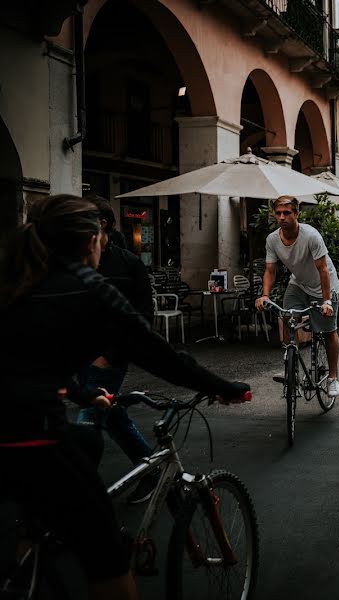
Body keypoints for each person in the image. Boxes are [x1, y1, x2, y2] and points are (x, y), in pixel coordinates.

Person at [0, 194, 251, 600]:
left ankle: (30, 557)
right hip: (32, 434)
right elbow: (157, 353)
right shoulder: (88, 287)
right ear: (91, 241)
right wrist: (224, 388)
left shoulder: (18, 279)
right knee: (108, 555)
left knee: (87, 442)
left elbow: (30, 363)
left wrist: (84, 396)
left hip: (15, 431)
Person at [79, 196, 159, 504]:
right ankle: (149, 468)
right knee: (112, 416)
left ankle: (76, 498)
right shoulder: (77, 261)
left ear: (103, 224)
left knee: (87, 425)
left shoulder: (129, 263)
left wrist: (111, 354)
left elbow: (143, 317)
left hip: (107, 360)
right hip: (80, 356)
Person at [255, 195, 339, 397]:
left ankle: (332, 378)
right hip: (298, 284)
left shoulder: (311, 236)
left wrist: (327, 301)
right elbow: (270, 270)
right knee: (287, 316)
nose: (282, 217)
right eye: (278, 213)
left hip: (324, 286)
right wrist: (265, 295)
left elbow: (323, 270)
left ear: (296, 214)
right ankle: (290, 365)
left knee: (329, 332)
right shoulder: (272, 239)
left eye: (287, 213)